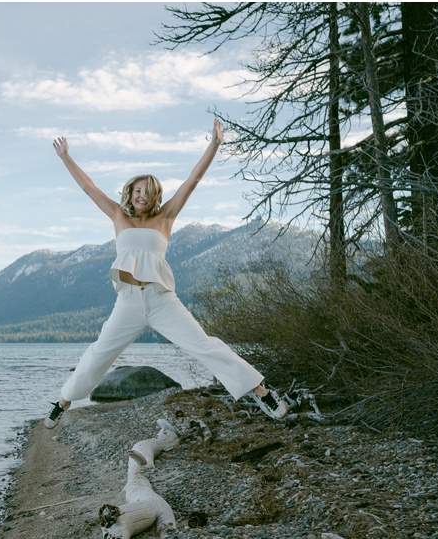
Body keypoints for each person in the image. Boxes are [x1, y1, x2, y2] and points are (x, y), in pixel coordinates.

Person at [44, 119, 288, 429]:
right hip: (129, 302)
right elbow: (88, 187)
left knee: (205, 345)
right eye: (136, 191)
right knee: (99, 354)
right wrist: (66, 156)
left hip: (162, 301)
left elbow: (193, 179)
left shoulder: (166, 216)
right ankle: (63, 402)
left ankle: (262, 392)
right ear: (129, 193)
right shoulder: (118, 215)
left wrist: (214, 144)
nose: (141, 196)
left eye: (147, 192)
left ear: (155, 195)